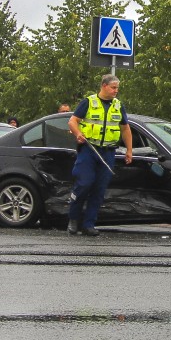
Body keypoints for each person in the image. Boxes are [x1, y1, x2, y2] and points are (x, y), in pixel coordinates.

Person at [66, 74, 133, 236]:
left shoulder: (118, 106)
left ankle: (89, 224)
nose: (116, 91)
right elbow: (72, 121)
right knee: (84, 184)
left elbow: (125, 129)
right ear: (104, 86)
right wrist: (78, 134)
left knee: (99, 189)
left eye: (117, 88)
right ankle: (73, 219)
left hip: (108, 151)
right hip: (89, 150)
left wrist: (129, 150)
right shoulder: (89, 102)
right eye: (113, 87)